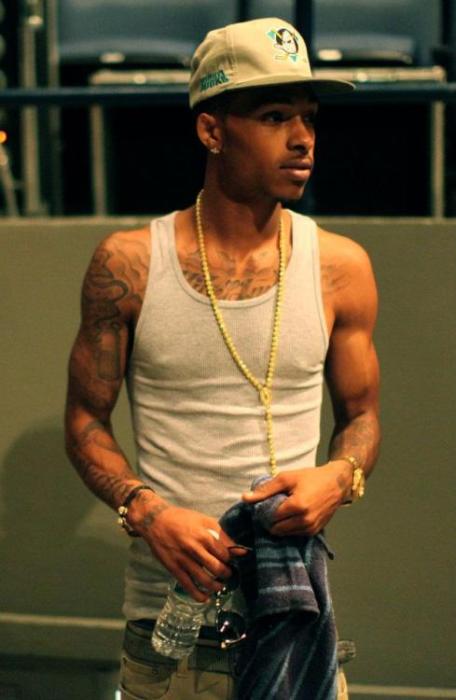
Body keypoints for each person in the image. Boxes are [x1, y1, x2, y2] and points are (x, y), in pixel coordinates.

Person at [65, 16, 380, 700]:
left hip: (296, 625)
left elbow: (362, 415)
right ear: (212, 130)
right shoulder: (129, 265)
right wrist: (147, 512)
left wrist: (340, 476)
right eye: (274, 117)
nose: (303, 139)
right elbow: (85, 421)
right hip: (170, 629)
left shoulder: (341, 267)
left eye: (309, 117)